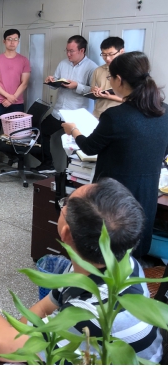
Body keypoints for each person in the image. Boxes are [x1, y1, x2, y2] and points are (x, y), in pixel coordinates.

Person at [0, 178, 163, 363]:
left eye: (65, 203)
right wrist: (17, 333)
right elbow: (44, 307)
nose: (63, 204)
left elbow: (3, 347)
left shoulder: (90, 315)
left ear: (66, 233)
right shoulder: (120, 262)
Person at [61, 51, 168, 259]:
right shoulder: (164, 111)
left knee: (108, 248)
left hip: (114, 195)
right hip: (147, 193)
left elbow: (89, 147)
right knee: (136, 244)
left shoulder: (115, 116)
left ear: (119, 79)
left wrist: (73, 130)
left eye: (110, 77)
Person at [34, 35, 98, 173]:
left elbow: (94, 92)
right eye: (67, 50)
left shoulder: (92, 67)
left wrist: (77, 86)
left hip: (77, 114)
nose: (68, 54)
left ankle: (73, 174)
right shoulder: (63, 63)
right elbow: (56, 83)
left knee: (75, 145)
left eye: (71, 51)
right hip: (59, 111)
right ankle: (48, 164)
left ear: (82, 50)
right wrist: (51, 81)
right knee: (40, 132)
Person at [0, 29, 30, 172]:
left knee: (17, 134)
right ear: (4, 41)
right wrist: (8, 97)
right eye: (9, 39)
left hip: (17, 103)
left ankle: (15, 159)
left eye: (15, 39)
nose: (12, 42)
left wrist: (12, 99)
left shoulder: (24, 60)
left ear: (18, 41)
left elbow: (24, 83)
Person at [90, 36, 125, 119]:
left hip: (119, 116)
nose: (107, 58)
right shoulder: (98, 70)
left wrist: (109, 96)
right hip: (99, 114)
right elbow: (92, 90)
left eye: (111, 54)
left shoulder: (129, 71)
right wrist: (95, 91)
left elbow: (133, 99)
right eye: (104, 54)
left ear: (121, 51)